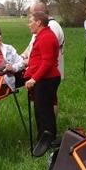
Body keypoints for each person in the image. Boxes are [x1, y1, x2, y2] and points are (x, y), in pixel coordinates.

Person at [25, 11, 61, 156]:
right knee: (42, 110)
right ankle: (46, 139)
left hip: (47, 79)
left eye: (30, 21)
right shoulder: (43, 35)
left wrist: (34, 78)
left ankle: (46, 141)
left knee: (43, 111)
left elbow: (47, 63)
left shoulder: (46, 37)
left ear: (38, 22)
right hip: (44, 79)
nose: (29, 24)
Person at [21, 2, 65, 80]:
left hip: (46, 75)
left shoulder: (51, 27)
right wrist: (22, 57)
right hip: (38, 72)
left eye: (31, 14)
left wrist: (34, 75)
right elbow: (32, 46)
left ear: (38, 14)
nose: (30, 17)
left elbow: (47, 58)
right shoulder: (42, 27)